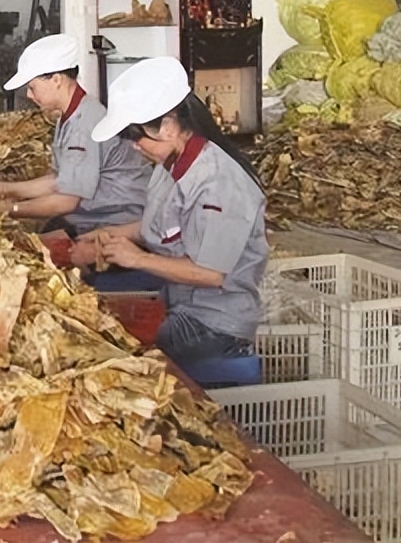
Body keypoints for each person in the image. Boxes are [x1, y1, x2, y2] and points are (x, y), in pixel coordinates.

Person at [80, 56, 269, 371]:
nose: (134, 146)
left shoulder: (218, 182)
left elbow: (211, 273)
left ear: (167, 126)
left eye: (134, 136)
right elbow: (159, 224)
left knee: (113, 355)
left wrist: (136, 259)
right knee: (93, 321)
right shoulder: (169, 165)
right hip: (181, 303)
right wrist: (108, 237)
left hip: (214, 323)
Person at [0, 33, 151, 244]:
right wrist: (6, 189)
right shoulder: (72, 114)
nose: (28, 95)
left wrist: (12, 209)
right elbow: (60, 181)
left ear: (56, 79)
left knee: (28, 249)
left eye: (32, 87)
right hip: (96, 216)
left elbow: (66, 200)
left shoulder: (84, 123)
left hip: (117, 222)